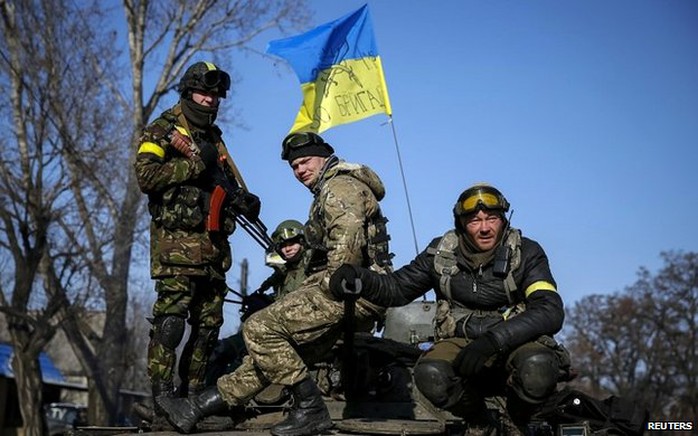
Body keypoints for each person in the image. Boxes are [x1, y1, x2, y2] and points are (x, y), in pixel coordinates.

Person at [157, 131, 393, 436]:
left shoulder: (339, 187)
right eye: (294, 167)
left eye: (305, 162)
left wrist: (318, 293)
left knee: (259, 328)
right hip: (355, 290)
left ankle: (310, 409)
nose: (300, 171)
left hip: (353, 291)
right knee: (272, 357)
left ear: (324, 157)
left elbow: (344, 253)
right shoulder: (331, 187)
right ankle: (197, 409)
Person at [329, 183, 572, 433]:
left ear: (504, 220)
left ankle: (515, 421)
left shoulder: (525, 253)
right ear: (461, 224)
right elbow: (397, 288)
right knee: (430, 374)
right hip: (459, 340)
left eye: (492, 218)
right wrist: (359, 278)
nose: (485, 228)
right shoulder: (441, 254)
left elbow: (549, 310)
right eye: (475, 220)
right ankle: (479, 421)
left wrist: (493, 340)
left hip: (514, 339)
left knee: (538, 366)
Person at [133, 61, 261, 428]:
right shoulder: (163, 129)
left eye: (216, 95)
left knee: (208, 326)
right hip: (177, 248)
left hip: (213, 251)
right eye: (204, 93)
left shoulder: (214, 137)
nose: (210, 100)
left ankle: (191, 401)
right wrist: (191, 167)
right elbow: (146, 176)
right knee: (170, 323)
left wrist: (244, 199)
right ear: (188, 92)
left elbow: (225, 180)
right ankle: (162, 401)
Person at [205, 219, 310, 383]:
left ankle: (219, 396)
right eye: (283, 245)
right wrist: (264, 301)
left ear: (303, 242)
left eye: (292, 243)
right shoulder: (285, 275)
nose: (288, 248)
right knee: (218, 350)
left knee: (240, 364)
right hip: (271, 330)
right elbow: (281, 299)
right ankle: (202, 392)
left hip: (288, 335)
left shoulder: (310, 268)